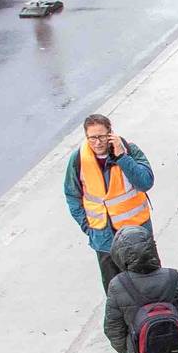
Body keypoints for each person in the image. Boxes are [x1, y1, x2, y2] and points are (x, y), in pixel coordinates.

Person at [62, 114, 153, 291]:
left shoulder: (129, 151)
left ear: (110, 133)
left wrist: (122, 158)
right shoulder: (78, 159)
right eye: (92, 138)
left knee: (150, 287)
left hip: (138, 237)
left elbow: (145, 182)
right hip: (104, 240)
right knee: (117, 292)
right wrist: (87, 227)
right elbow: (72, 195)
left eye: (102, 137)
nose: (97, 143)